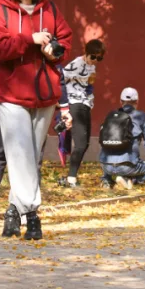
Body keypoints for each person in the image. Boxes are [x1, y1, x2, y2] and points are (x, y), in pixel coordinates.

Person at [0, 0, 72, 240]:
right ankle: (33, 214)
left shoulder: (50, 8)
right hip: (10, 95)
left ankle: (13, 211)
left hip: (44, 94)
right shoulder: (2, 10)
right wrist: (29, 40)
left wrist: (55, 49)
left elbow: (66, 42)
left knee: (29, 157)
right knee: (21, 155)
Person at [0, 54, 69, 216]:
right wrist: (65, 107)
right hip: (32, 102)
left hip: (9, 100)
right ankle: (24, 208)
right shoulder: (42, 43)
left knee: (2, 152)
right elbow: (58, 73)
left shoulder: (9, 40)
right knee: (30, 155)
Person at [60, 39, 105, 187]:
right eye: (93, 57)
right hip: (74, 104)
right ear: (86, 53)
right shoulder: (76, 64)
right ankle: (71, 178)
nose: (95, 61)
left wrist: (90, 99)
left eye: (99, 58)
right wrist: (63, 104)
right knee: (79, 144)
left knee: (85, 144)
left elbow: (89, 85)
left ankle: (71, 176)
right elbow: (60, 78)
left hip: (85, 105)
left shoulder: (91, 67)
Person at [100, 87, 145, 190]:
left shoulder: (111, 116)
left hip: (106, 165)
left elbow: (104, 142)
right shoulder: (142, 117)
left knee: (113, 154)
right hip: (128, 166)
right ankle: (131, 181)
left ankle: (107, 180)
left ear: (120, 102)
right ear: (137, 102)